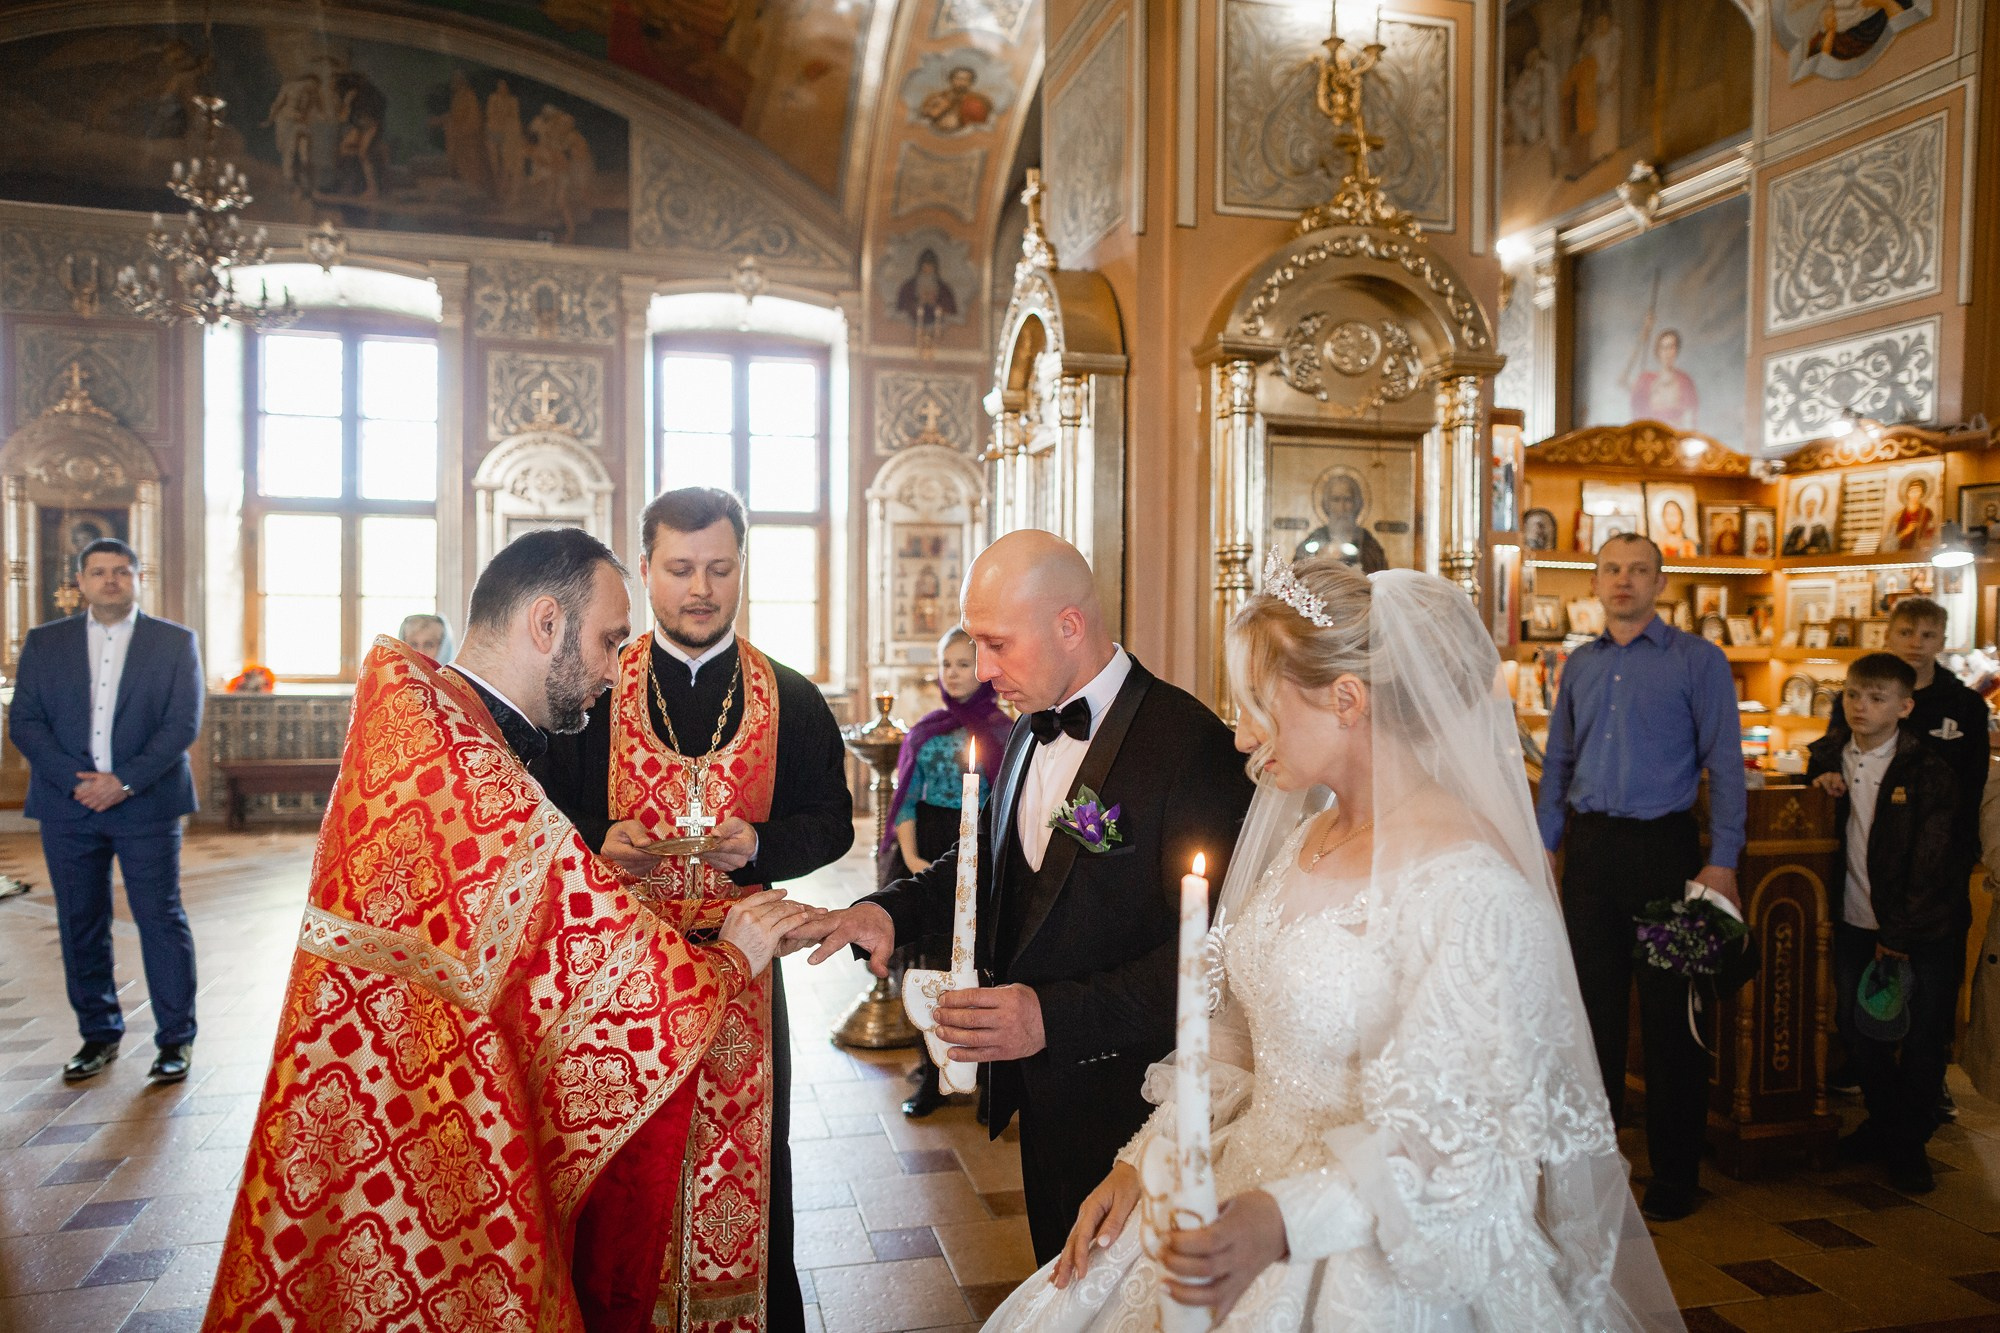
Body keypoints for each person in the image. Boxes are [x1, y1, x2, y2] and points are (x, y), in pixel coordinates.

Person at [987, 558, 1681, 1331]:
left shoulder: (1472, 888)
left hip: (1362, 1247)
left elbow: (1461, 1155)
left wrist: (1281, 1219)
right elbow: (1234, 1034)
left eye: (1259, 707)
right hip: (1235, 1174)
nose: (1243, 735)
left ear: (1346, 700)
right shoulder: (1307, 835)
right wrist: (1145, 1159)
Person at [202, 528, 816, 1333]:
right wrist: (734, 952)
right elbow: (605, 965)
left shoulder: (442, 727)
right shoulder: (461, 760)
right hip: (420, 1122)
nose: (611, 668)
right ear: (545, 623)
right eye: (605, 641)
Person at [793, 531, 1256, 1264]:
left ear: (1069, 625)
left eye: (997, 645)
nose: (981, 671)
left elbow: (1216, 959)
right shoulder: (1024, 731)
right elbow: (981, 862)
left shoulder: (1188, 746)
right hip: (1043, 1100)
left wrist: (1051, 1015)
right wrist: (886, 909)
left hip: (1140, 1109)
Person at [532, 488, 852, 1333]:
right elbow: (532, 815)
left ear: (742, 565)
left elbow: (833, 822)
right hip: (618, 982)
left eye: (719, 567)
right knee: (624, 1178)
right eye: (679, 568)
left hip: (744, 987)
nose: (700, 588)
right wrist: (602, 839)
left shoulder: (790, 696)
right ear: (645, 570)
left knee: (746, 1175)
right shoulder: (591, 691)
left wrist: (761, 848)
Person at [1536, 532, 1745, 1222]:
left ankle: (1675, 1173)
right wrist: (1545, 847)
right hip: (1591, 856)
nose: (1623, 580)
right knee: (1588, 1016)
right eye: (1612, 569)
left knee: (1670, 1022)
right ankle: (1592, 1170)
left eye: (1638, 570)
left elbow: (1727, 764)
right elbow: (1558, 763)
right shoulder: (1579, 664)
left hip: (1667, 853)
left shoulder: (1699, 660)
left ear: (1662, 581)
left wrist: (1723, 859)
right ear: (1595, 582)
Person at [6, 538, 202, 1085]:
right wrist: (81, 784)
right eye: (99, 572)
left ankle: (175, 1041)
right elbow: (26, 722)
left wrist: (125, 782)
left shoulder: (174, 642)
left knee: (160, 918)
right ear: (81, 582)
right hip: (69, 807)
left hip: (148, 804)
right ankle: (98, 1034)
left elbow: (181, 724)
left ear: (139, 578)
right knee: (79, 920)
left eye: (122, 571)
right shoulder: (46, 643)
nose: (110, 580)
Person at [1811, 597, 1988, 1111]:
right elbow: (1826, 750)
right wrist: (1820, 772)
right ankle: (1888, 1120)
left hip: (1931, 891)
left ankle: (1914, 1125)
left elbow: (1964, 797)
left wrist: (1909, 922)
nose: (1916, 643)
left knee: (1926, 1019)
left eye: (1927, 635)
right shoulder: (1856, 715)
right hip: (1860, 899)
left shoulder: (1957, 716)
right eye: (1906, 632)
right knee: (1858, 1017)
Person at [1806, 653, 1960, 1193]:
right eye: (1852, 696)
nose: (1861, 707)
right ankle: (1891, 1130)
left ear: (1905, 706)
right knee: (1858, 1031)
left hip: (1918, 929)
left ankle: (1906, 1144)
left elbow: (1932, 860)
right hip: (1853, 922)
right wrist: (1816, 773)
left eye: (1875, 699)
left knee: (1920, 1040)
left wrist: (1899, 935)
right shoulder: (1829, 757)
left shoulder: (1928, 770)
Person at [881, 627, 1012, 1118]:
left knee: (982, 968)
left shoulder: (1003, 731)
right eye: (948, 664)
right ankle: (932, 1075)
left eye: (965, 663)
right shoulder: (925, 730)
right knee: (930, 969)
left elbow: (1008, 809)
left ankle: (988, 1082)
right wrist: (914, 862)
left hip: (985, 852)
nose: (955, 674)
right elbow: (906, 802)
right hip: (932, 850)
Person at [1883, 475, 1940, 551]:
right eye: (1912, 491)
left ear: (1922, 493)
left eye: (1918, 491)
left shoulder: (1927, 513)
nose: (1915, 494)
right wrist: (1905, 531)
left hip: (1920, 555)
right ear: (1907, 493)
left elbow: (1933, 537)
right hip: (1901, 554)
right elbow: (1888, 544)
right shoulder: (1898, 516)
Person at [1783, 483, 1835, 556]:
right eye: (1808, 504)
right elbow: (1786, 551)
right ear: (1803, 505)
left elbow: (1827, 550)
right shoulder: (1797, 527)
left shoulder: (1820, 527)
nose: (1810, 507)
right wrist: (1797, 547)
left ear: (1818, 506)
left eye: (1813, 504)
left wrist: (1817, 551)